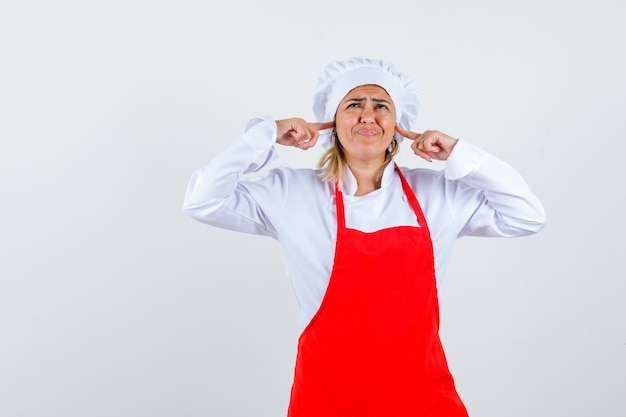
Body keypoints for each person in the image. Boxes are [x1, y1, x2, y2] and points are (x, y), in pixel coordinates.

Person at [182, 57, 546, 417]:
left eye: (381, 105)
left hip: (424, 404)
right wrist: (264, 136)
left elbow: (527, 216)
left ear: (398, 125)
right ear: (332, 122)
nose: (368, 115)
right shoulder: (293, 194)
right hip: (325, 404)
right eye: (354, 104)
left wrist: (459, 152)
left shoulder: (437, 195)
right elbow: (202, 201)